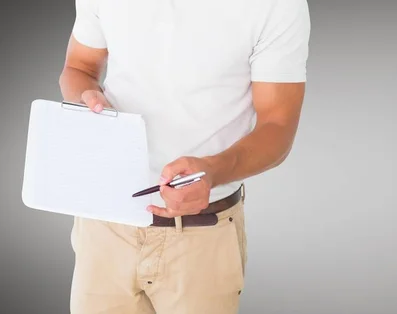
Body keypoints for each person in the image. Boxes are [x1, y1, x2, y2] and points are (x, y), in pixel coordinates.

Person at [58, 0, 310, 312]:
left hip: (201, 235)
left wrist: (213, 170)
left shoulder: (275, 6)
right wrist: (86, 100)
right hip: (105, 227)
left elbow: (278, 125)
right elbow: (79, 68)